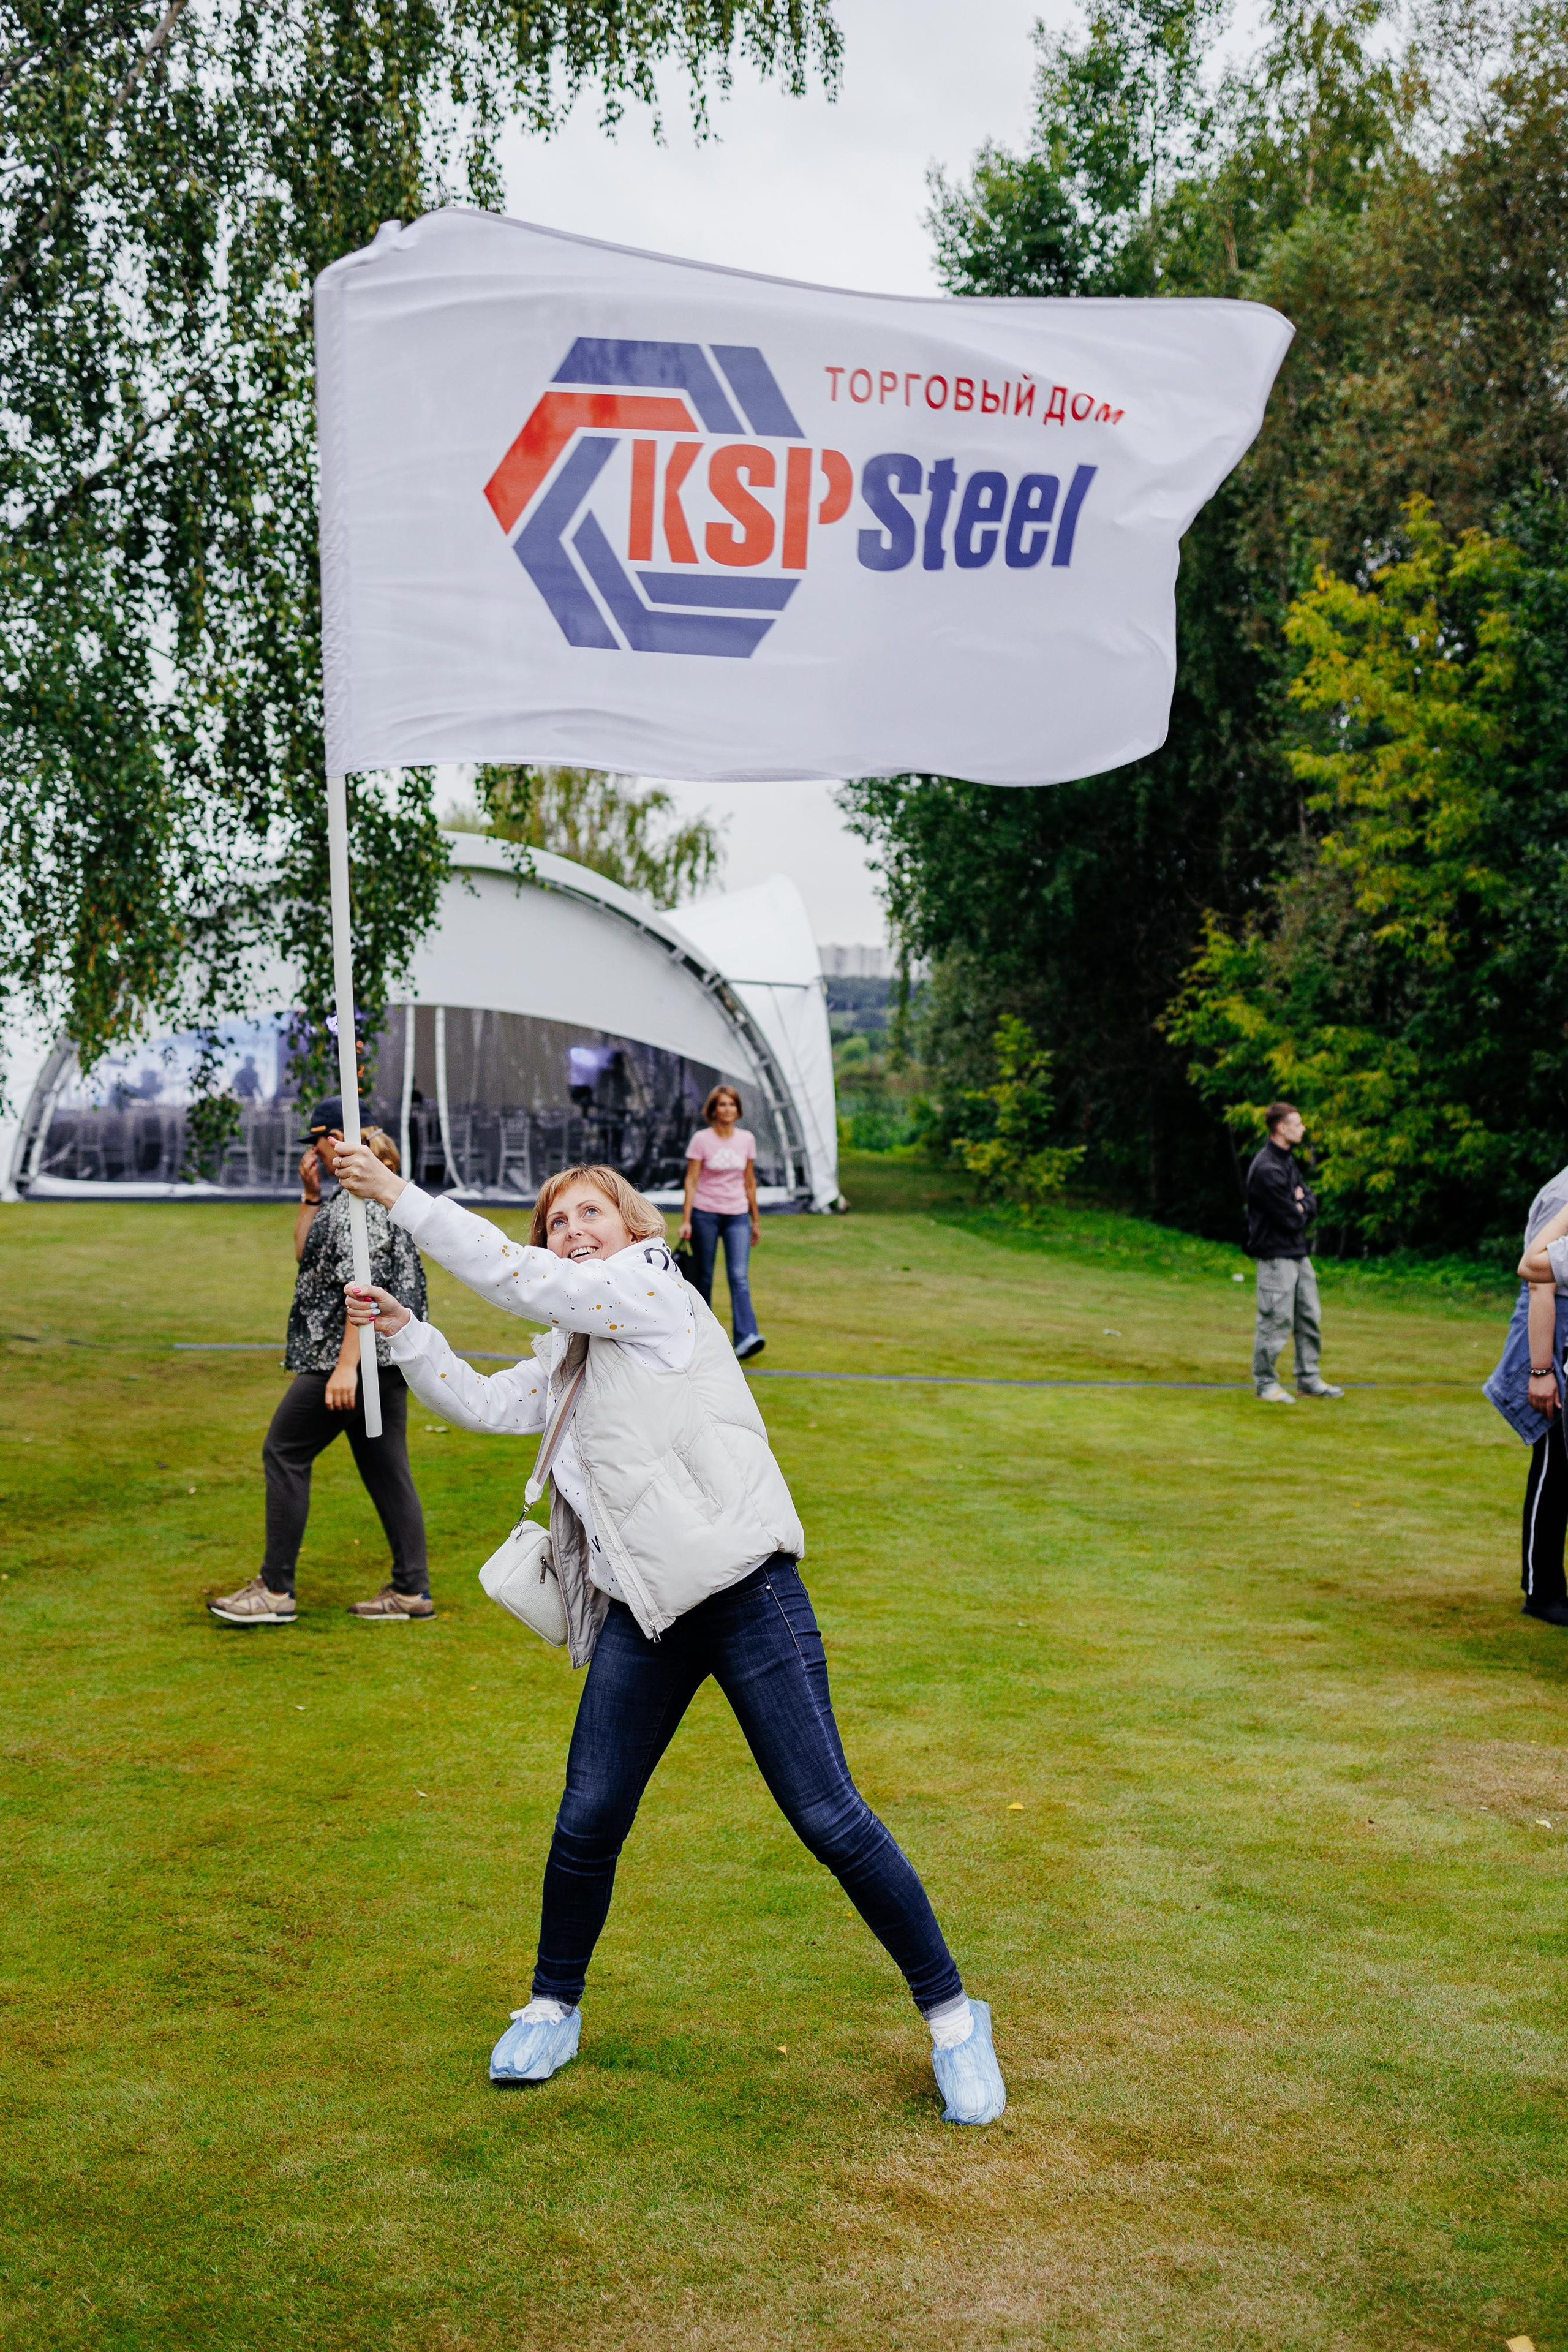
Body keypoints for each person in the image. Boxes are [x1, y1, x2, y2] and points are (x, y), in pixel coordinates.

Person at [331, 1145, 1006, 2126]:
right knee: (588, 1819)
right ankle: (552, 2008)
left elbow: (524, 1280)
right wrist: (404, 1332)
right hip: (643, 1617)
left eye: (589, 1214)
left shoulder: (651, 1290)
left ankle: (953, 2018)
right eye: (556, 1221)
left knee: (828, 1817)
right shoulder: (572, 1347)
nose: (571, 1231)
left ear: (633, 1227)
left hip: (747, 1596)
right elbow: (483, 1402)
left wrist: (397, 1196)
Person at [207, 1103, 432, 1625]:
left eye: (316, 1143)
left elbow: (366, 1289)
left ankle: (276, 1590)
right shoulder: (359, 1193)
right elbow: (305, 1254)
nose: (313, 1154)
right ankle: (411, 1590)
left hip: (350, 1355)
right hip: (381, 1357)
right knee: (387, 1471)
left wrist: (346, 1368)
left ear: (336, 1137)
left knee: (284, 1451)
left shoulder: (364, 1201)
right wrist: (310, 1196)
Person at [1497, 1167, 1568, 1627]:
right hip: (1553, 1346)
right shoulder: (1564, 1194)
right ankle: (1542, 1589)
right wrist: (1541, 1370)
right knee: (1553, 1467)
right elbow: (1539, 1279)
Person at [1245, 1102, 1343, 1403]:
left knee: (1309, 1316)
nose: (1303, 1129)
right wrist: (1299, 1205)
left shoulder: (1287, 1161)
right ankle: (1266, 1383)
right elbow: (1291, 1219)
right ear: (1281, 1128)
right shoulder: (1267, 1168)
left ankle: (1309, 1379)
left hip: (1298, 1253)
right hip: (1275, 1256)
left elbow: (1309, 1200)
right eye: (1298, 1124)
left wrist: (1301, 1203)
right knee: (1276, 1320)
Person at [679, 1084, 765, 1360]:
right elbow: (692, 1181)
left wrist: (755, 1220)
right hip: (705, 1214)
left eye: (732, 1105)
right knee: (703, 1277)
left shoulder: (747, 1139)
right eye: (722, 1105)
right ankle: (701, 1338)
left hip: (737, 1215)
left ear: (738, 1110)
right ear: (714, 1110)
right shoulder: (701, 1140)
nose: (727, 1110)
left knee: (739, 1277)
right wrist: (686, 1220)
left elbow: (749, 1182)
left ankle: (747, 1337)